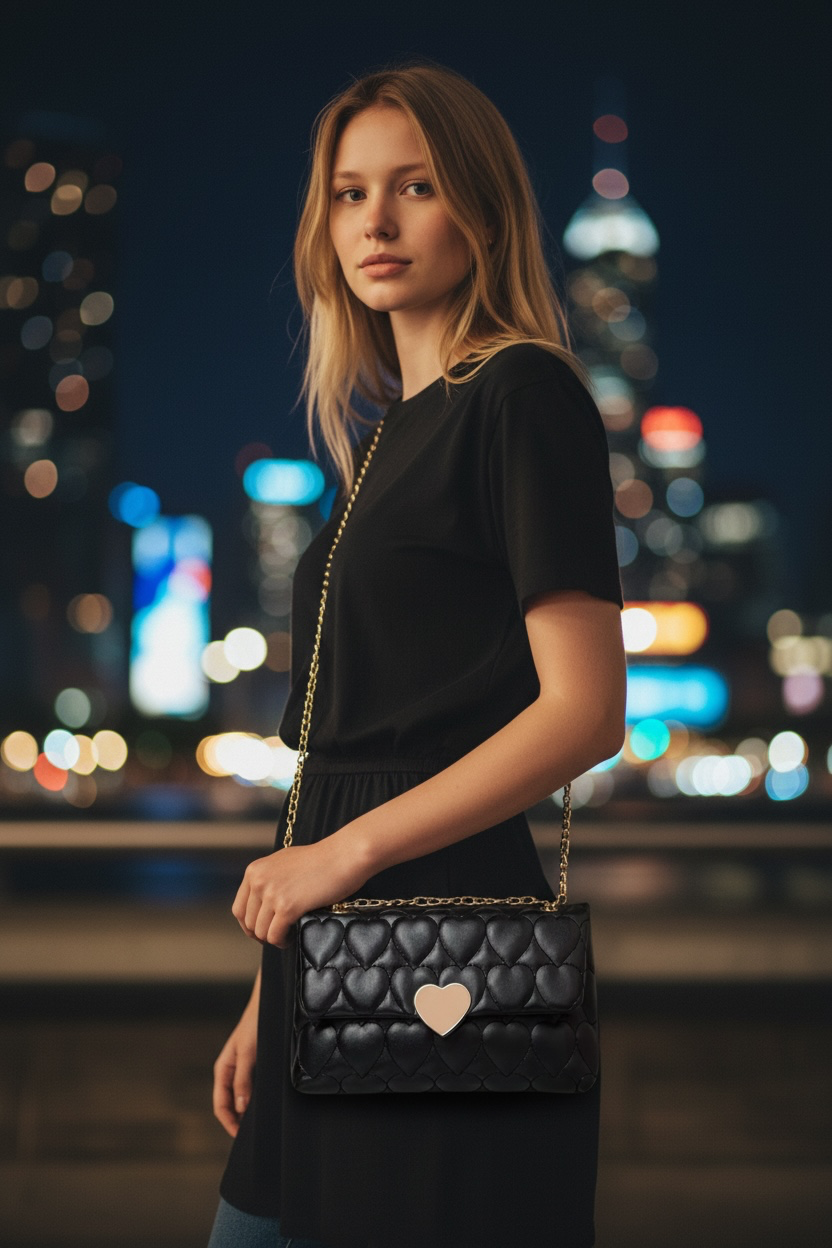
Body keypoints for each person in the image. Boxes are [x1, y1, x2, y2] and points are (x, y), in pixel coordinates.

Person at [208, 60, 627, 1248]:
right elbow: (337, 745)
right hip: (327, 938)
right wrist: (269, 989)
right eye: (347, 194)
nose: (375, 223)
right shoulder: (390, 430)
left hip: (437, 927)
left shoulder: (521, 393)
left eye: (415, 187)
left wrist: (341, 861)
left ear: (482, 210)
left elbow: (587, 713)